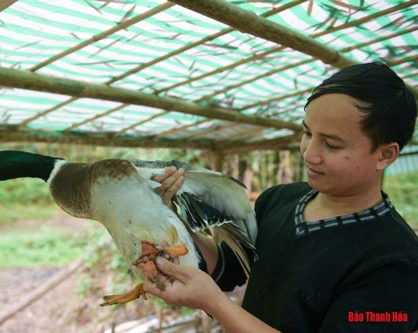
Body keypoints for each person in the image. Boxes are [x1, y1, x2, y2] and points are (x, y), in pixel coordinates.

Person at [144, 62, 418, 332]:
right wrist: (171, 218)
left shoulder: (397, 263)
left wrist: (218, 305)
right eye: (307, 133)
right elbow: (227, 268)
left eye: (332, 145)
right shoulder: (279, 199)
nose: (309, 153)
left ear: (385, 154)